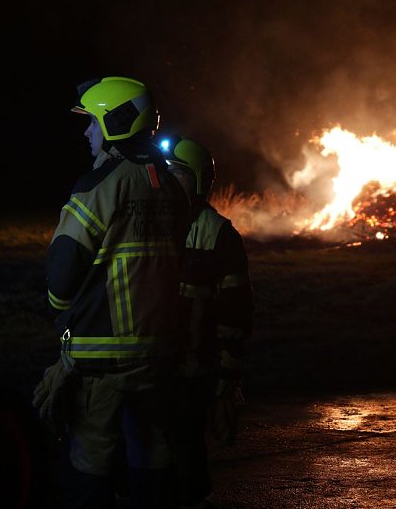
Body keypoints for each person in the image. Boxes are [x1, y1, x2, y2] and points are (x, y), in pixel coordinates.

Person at [36, 76, 191, 509]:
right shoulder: (173, 188)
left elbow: (62, 273)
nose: (87, 133)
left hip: (100, 359)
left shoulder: (98, 185)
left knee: (89, 458)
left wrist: (63, 313)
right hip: (159, 352)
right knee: (155, 453)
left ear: (113, 123)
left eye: (92, 123)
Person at [160, 134, 254, 509]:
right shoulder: (152, 224)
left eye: (177, 174)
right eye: (165, 173)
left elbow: (236, 313)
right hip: (152, 364)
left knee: (186, 460)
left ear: (197, 180)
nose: (169, 181)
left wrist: (228, 384)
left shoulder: (219, 235)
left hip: (193, 371)